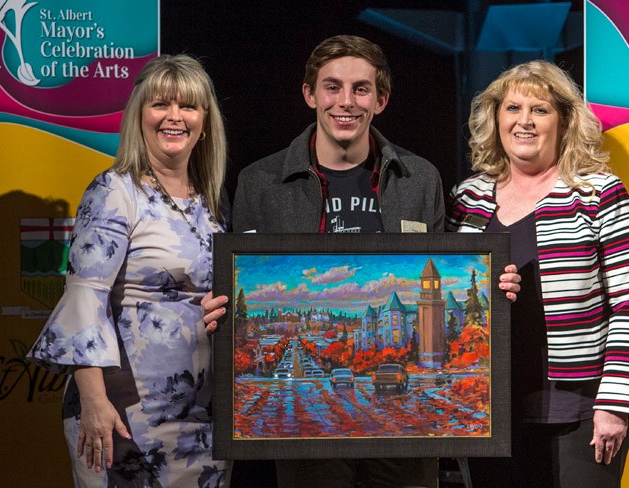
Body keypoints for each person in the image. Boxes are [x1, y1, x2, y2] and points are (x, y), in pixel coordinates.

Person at [203, 34, 520, 488]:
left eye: (361, 89)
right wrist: (222, 311)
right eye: (332, 87)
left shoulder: (420, 178)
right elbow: (240, 285)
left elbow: (451, 265)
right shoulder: (260, 182)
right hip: (306, 445)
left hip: (408, 444)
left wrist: (494, 285)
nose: (345, 102)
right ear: (310, 95)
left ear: (381, 99)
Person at [446, 60, 629, 487]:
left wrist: (615, 404)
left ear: (564, 121)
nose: (524, 121)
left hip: (577, 416)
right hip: (488, 412)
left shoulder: (598, 192)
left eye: (539, 110)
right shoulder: (467, 199)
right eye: (512, 108)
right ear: (496, 118)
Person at [27, 54, 232, 487]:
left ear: (206, 121)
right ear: (139, 114)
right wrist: (93, 401)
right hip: (123, 419)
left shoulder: (212, 203)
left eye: (188, 106)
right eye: (161, 104)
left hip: (202, 421)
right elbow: (84, 300)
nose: (174, 117)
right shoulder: (114, 191)